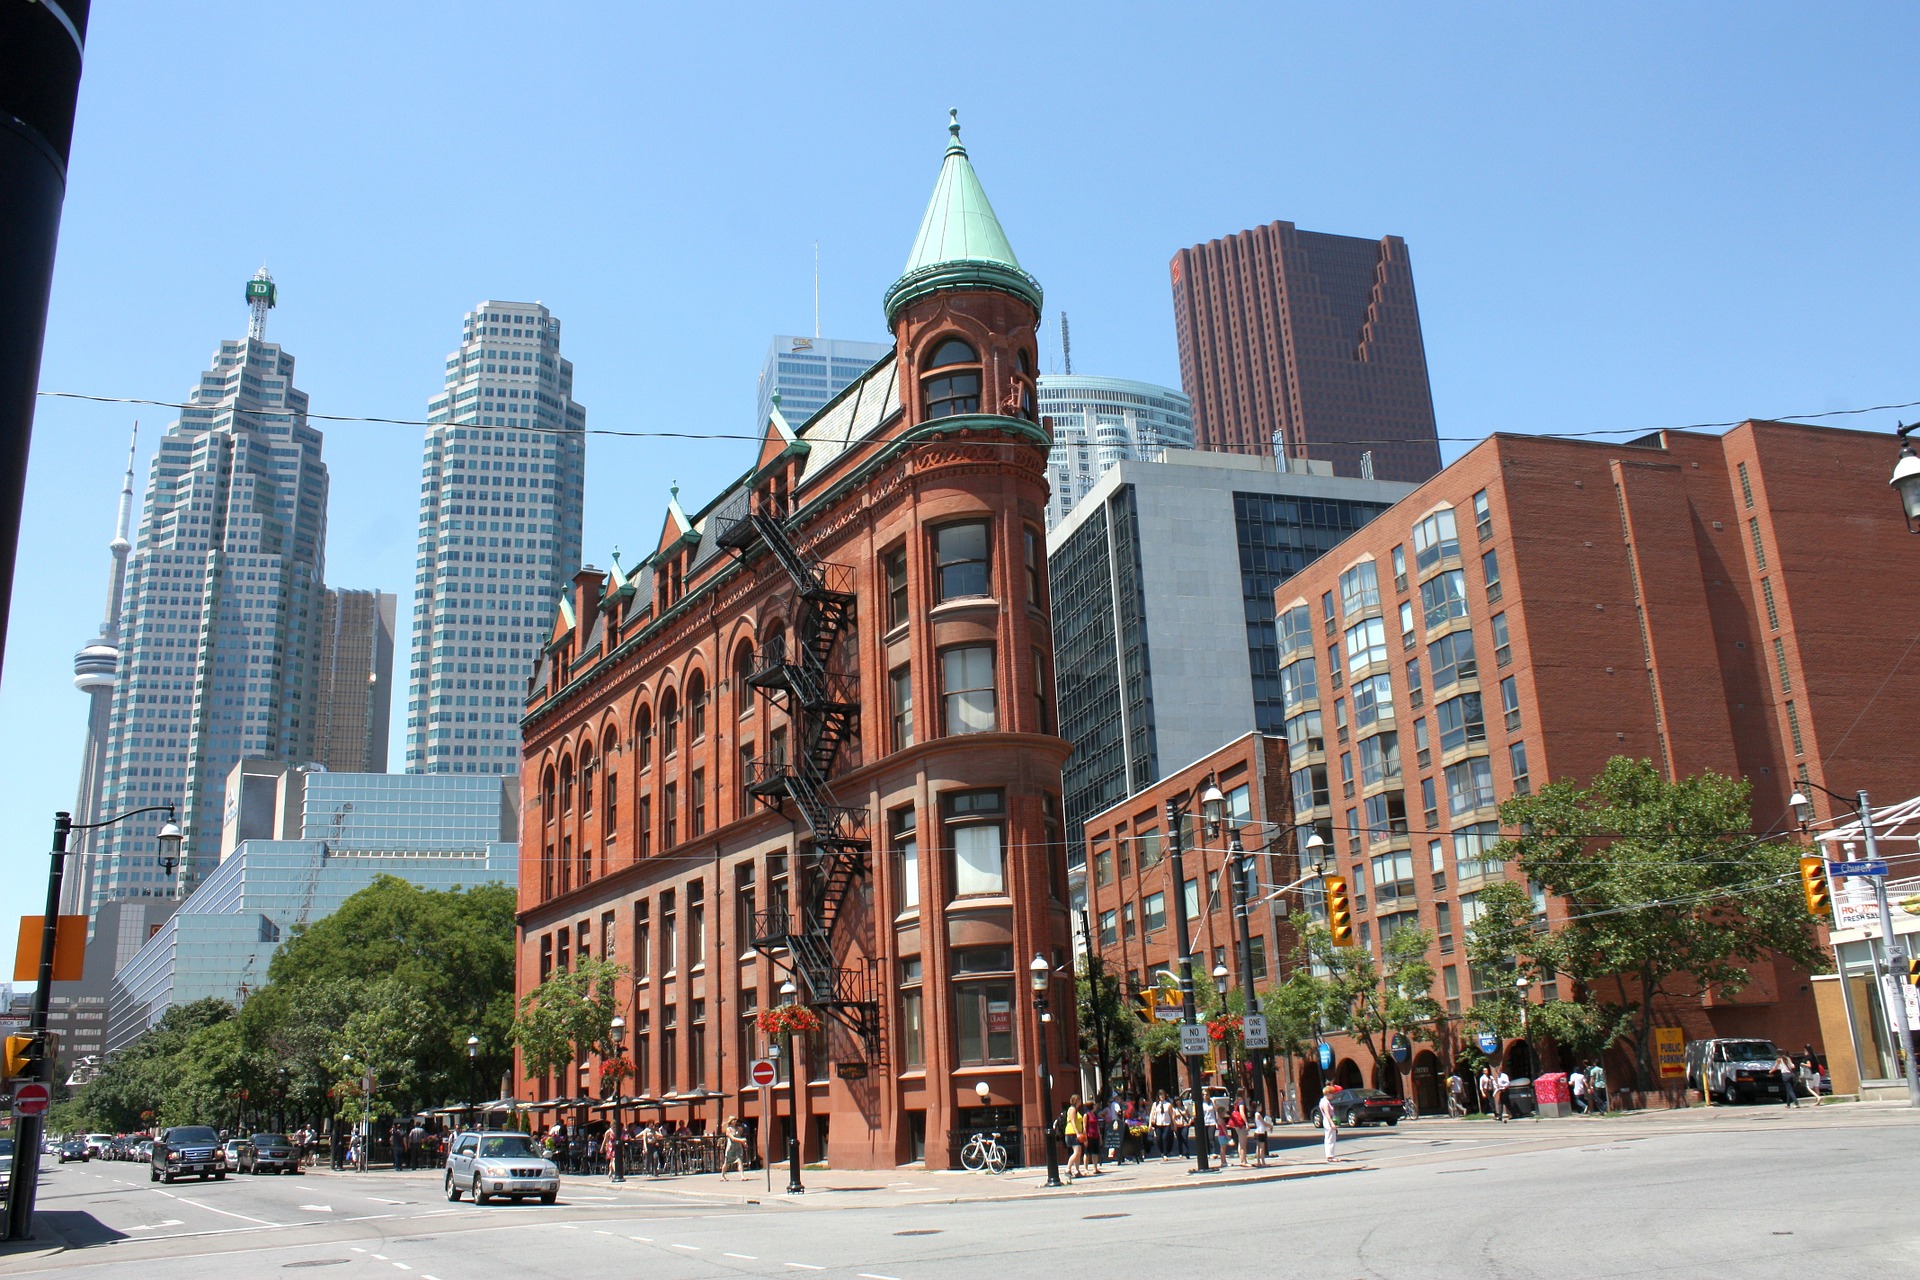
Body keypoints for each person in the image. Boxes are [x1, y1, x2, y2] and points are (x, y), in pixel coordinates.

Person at [1317, 1084, 1342, 1162]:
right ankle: (1330, 1156)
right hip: (1328, 1121)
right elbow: (1327, 1114)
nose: (1333, 1095)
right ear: (1327, 1093)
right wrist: (1332, 1123)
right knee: (1331, 1139)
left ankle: (1330, 1155)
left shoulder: (1323, 1101)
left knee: (1329, 1138)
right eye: (1332, 1093)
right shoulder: (1325, 1102)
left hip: (1327, 1121)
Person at [1062, 1095, 1085, 1179]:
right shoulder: (1072, 1109)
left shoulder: (1076, 1110)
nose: (1080, 1101)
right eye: (1079, 1100)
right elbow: (1072, 1122)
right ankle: (1067, 1169)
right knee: (1077, 1152)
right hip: (1071, 1133)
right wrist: (1077, 1133)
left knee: (1078, 1152)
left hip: (1075, 1133)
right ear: (1076, 1101)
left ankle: (1077, 1170)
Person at [1149, 1091, 1174, 1159]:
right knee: (1158, 1139)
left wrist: (1173, 1124)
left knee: (1165, 1138)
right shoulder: (1155, 1104)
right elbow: (1152, 1114)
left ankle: (1165, 1153)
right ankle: (1162, 1151)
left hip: (1166, 1123)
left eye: (1163, 1095)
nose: (1162, 1096)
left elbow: (1171, 1115)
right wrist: (1150, 1124)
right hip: (1158, 1124)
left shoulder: (1168, 1104)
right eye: (1160, 1095)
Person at [1249, 1103, 1269, 1168]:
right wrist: (1271, 1125)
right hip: (1261, 1132)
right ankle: (1262, 1161)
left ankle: (1258, 1161)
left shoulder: (1256, 1114)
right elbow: (1264, 1123)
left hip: (1257, 1132)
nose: (1261, 1108)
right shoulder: (1258, 1115)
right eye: (1260, 1106)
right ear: (1257, 1107)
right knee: (1261, 1148)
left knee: (1258, 1147)